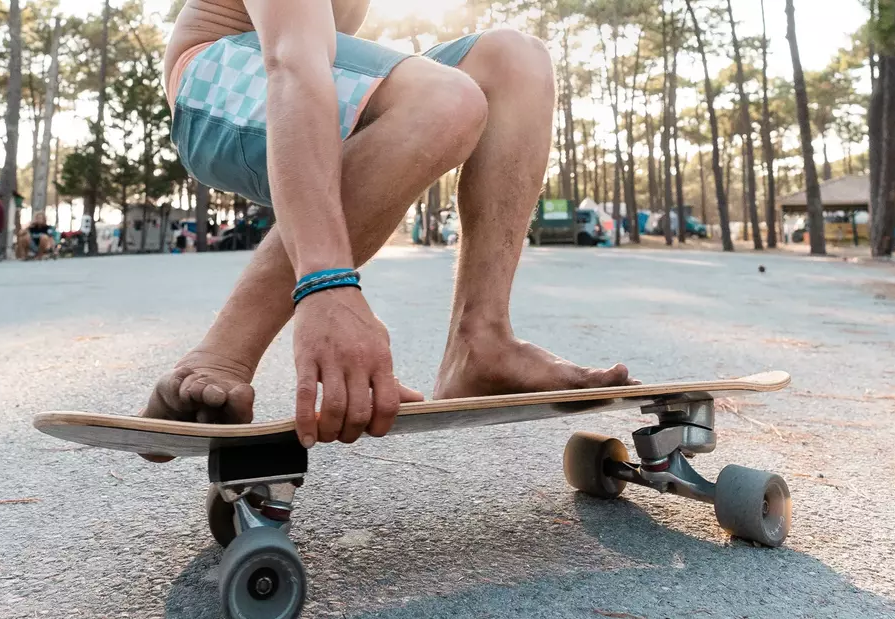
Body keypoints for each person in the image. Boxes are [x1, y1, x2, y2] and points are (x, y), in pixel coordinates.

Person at [145, 0, 631, 452]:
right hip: (215, 81)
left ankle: (481, 342)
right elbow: (294, 62)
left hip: (311, 72)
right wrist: (325, 285)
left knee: (516, 60)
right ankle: (220, 356)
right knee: (445, 99)